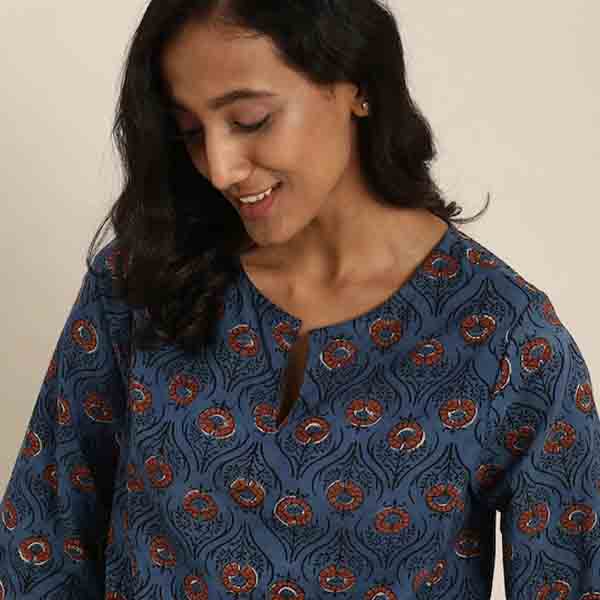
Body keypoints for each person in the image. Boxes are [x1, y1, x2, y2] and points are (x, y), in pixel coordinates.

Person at [1, 1, 598, 598]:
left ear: (358, 84)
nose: (220, 168)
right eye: (191, 131)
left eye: (251, 119)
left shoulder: (506, 339)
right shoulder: (141, 282)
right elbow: (38, 549)